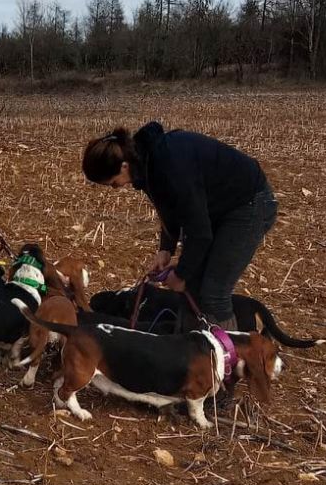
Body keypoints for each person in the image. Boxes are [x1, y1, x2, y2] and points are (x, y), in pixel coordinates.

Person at [81, 122, 277, 330]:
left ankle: (223, 358)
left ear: (123, 166)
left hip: (248, 205)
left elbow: (199, 233)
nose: (116, 187)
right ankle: (188, 350)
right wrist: (166, 249)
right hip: (218, 209)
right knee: (191, 289)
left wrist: (181, 274)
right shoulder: (145, 164)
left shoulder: (170, 164)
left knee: (213, 294)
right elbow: (170, 210)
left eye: (113, 182)